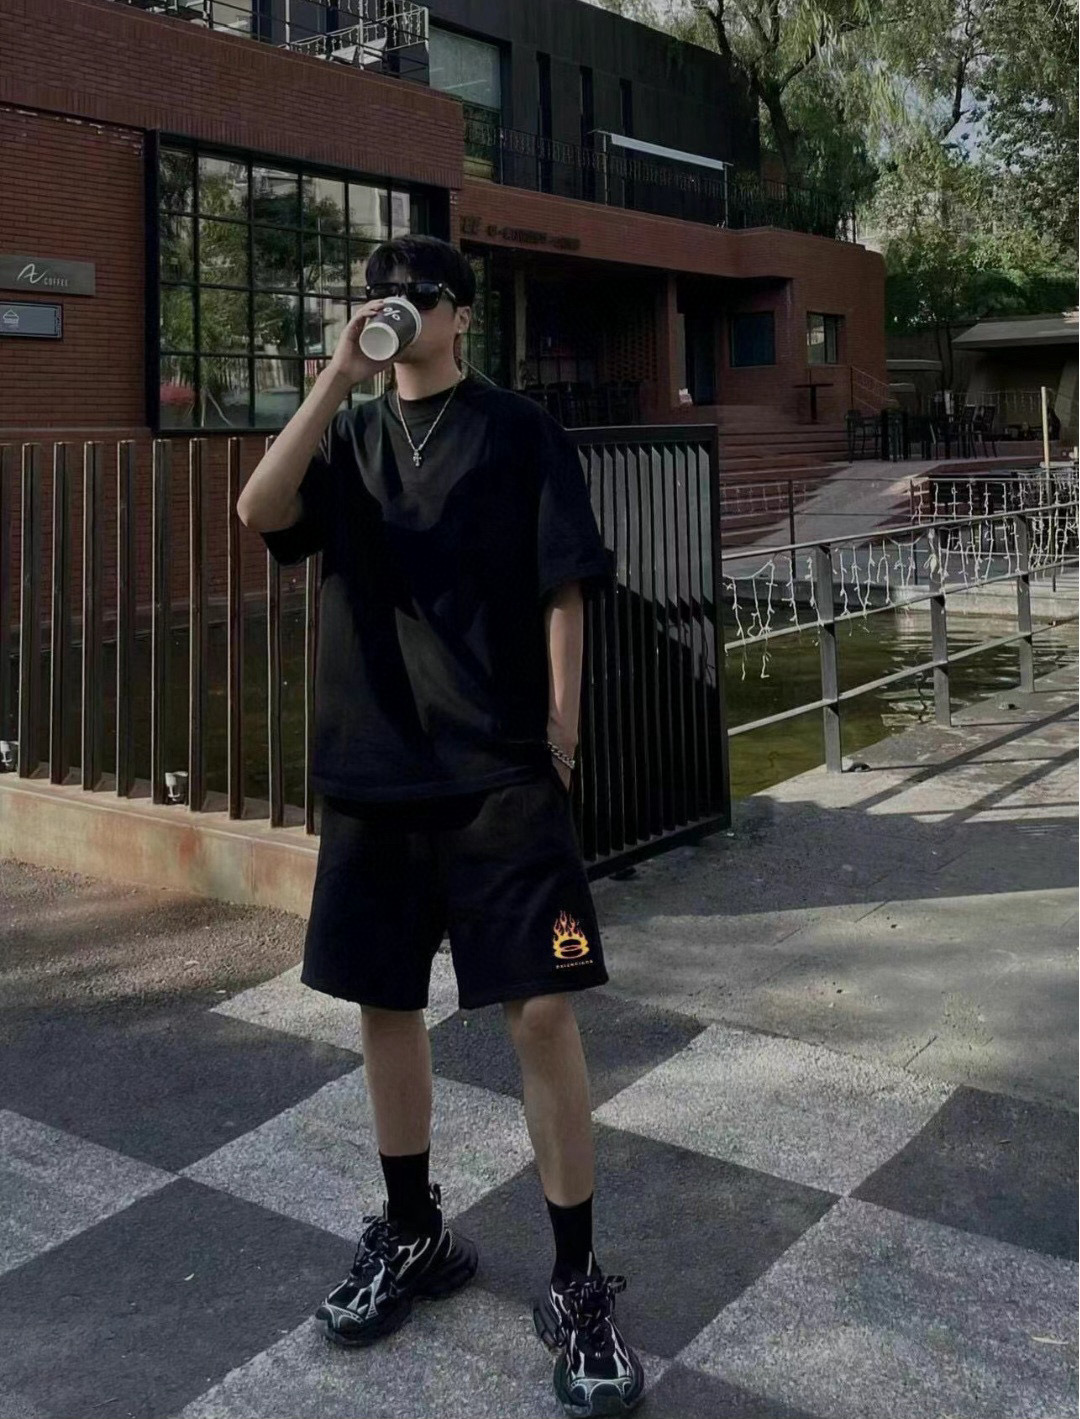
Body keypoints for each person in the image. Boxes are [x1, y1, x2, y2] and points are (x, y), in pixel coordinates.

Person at [236, 235, 644, 1418]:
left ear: (460, 315)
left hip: (502, 772)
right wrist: (333, 378)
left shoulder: (520, 430)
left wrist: (562, 734)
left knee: (543, 1008)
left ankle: (575, 1282)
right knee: (386, 1005)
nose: (397, 311)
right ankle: (413, 1233)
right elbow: (259, 508)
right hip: (374, 768)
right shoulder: (353, 433)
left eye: (417, 296)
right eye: (381, 296)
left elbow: (566, 585)